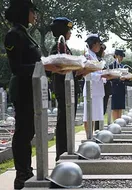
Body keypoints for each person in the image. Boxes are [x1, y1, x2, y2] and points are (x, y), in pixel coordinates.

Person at [4, 0, 40, 188]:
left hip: (31, 87)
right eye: (32, 11)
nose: (34, 15)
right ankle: (22, 174)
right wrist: (42, 66)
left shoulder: (25, 33)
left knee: (28, 131)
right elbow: (16, 67)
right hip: (22, 88)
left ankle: (27, 169)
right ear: (23, 12)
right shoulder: (13, 35)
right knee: (23, 131)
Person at [49, 17, 82, 161]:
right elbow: (58, 68)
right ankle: (61, 153)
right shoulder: (57, 46)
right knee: (63, 123)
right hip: (63, 90)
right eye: (69, 30)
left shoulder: (64, 46)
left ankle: (67, 150)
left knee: (68, 121)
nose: (70, 33)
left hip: (69, 89)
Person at [83, 34, 106, 138]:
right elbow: (87, 73)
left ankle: (91, 135)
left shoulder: (95, 56)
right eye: (98, 44)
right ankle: (88, 136)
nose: (100, 47)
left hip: (97, 89)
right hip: (91, 88)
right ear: (93, 44)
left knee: (94, 115)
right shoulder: (87, 55)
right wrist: (101, 76)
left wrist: (104, 76)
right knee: (88, 115)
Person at [109, 49, 127, 120]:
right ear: (116, 56)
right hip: (115, 88)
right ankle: (115, 121)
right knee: (115, 107)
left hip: (121, 88)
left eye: (122, 56)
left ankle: (119, 120)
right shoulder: (111, 66)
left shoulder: (123, 66)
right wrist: (119, 79)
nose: (121, 58)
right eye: (120, 56)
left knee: (120, 107)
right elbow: (110, 77)